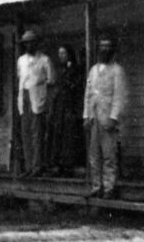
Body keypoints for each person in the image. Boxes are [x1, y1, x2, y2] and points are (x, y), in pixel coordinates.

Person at [84, 36, 128, 198]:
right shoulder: (93, 70)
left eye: (108, 46)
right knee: (94, 155)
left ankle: (109, 188)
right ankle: (96, 187)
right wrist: (86, 115)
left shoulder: (117, 70)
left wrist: (113, 117)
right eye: (102, 46)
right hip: (94, 118)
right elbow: (88, 94)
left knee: (109, 155)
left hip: (108, 118)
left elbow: (119, 96)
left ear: (112, 50)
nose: (104, 50)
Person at [14, 30, 52, 178]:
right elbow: (20, 77)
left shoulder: (44, 59)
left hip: (37, 97)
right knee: (26, 133)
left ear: (36, 43)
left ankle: (37, 166)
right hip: (24, 96)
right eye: (26, 43)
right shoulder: (21, 60)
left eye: (31, 42)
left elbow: (51, 79)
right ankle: (29, 166)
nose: (29, 45)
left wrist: (39, 84)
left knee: (37, 133)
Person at [48, 42, 85, 178]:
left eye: (64, 53)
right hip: (60, 107)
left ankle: (69, 165)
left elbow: (76, 87)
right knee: (59, 135)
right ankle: (59, 165)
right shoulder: (61, 70)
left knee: (69, 137)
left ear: (69, 54)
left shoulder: (75, 69)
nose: (61, 56)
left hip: (70, 106)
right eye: (59, 54)